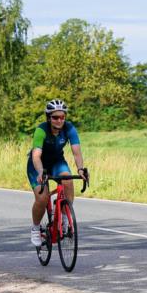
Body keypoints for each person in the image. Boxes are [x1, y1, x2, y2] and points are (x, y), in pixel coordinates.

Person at [27, 99, 88, 247]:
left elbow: (77, 153)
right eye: (55, 117)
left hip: (57, 161)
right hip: (38, 164)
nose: (59, 120)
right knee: (42, 198)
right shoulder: (41, 130)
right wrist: (41, 171)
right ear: (49, 118)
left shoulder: (69, 128)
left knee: (67, 179)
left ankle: (65, 217)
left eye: (62, 117)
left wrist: (80, 169)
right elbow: (36, 155)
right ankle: (35, 229)